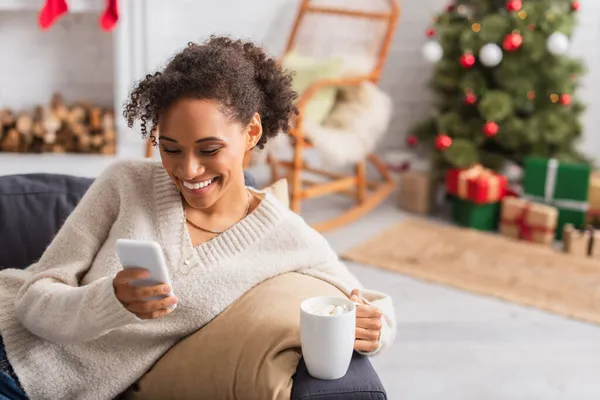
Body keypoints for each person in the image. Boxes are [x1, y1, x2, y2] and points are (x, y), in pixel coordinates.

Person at [0, 36, 396, 400]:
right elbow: (33, 304)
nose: (188, 171)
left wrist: (375, 330)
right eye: (171, 149)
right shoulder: (126, 183)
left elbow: (372, 306)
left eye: (208, 150)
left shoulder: (286, 237)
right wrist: (111, 299)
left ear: (252, 132)